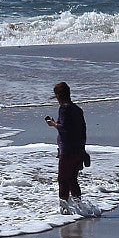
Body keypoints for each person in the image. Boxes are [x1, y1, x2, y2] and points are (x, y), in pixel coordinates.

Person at [44, 81, 88, 210]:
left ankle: (64, 209)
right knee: (72, 179)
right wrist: (83, 150)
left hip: (67, 150)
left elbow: (64, 127)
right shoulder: (77, 109)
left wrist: (53, 124)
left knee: (62, 179)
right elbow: (83, 130)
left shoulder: (64, 108)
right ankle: (79, 206)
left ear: (58, 95)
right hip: (78, 149)